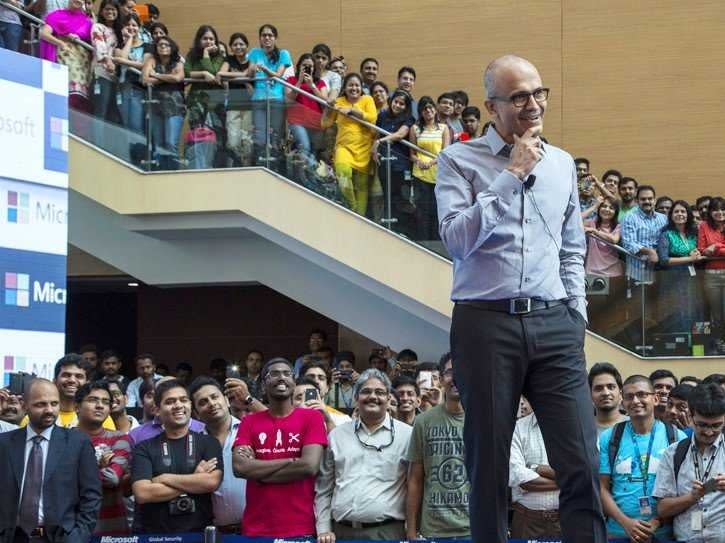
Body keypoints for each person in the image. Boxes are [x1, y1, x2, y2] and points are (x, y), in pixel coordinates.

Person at [435, 54, 606, 543]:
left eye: (538, 93)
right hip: (485, 325)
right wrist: (510, 175)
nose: (533, 104)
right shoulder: (457, 160)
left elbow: (573, 247)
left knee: (580, 459)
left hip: (555, 321)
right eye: (518, 97)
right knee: (488, 463)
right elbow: (457, 240)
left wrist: (577, 314)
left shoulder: (563, 164)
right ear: (492, 106)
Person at [232, 358, 327, 538]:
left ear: (294, 382)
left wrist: (259, 474)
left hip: (300, 527)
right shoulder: (249, 421)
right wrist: (290, 461)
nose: (281, 378)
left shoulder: (312, 418)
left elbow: (309, 466)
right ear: (262, 386)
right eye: (274, 374)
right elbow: (239, 467)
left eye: (287, 374)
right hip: (256, 528)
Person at [315, 369, 412, 542]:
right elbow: (324, 488)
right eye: (366, 391)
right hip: (340, 532)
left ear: (389, 398)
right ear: (356, 397)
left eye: (380, 392)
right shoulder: (337, 436)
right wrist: (323, 529)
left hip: (388, 533)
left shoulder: (407, 435)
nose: (373, 396)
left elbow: (415, 486)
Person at [0, 379, 101, 543]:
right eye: (40, 404)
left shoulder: (77, 443)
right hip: (12, 536)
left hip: (60, 537)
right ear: (24, 406)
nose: (49, 410)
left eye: (54, 403)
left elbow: (91, 495)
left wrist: (77, 537)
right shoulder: (4, 443)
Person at [599, 375, 687, 541]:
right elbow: (602, 488)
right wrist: (625, 523)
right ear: (622, 402)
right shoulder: (610, 437)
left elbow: (683, 490)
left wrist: (658, 522)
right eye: (629, 397)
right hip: (619, 532)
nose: (635, 401)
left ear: (654, 398)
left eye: (642, 394)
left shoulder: (676, 437)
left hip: (663, 533)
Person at [131, 379, 223, 533]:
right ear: (157, 410)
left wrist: (164, 478)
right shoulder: (144, 448)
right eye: (170, 401)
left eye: (183, 400)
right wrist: (194, 478)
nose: (178, 405)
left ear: (190, 405)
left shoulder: (209, 442)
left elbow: (211, 482)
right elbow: (143, 493)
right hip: (155, 535)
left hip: (199, 534)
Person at [406, 354, 470, 539]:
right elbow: (415, 480)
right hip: (433, 529)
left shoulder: (483, 420)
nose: (456, 377)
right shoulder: (423, 421)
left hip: (473, 527)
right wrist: (411, 530)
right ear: (441, 379)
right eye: (450, 372)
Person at [653, 383, 725, 543]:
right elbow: (662, 509)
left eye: (716, 425)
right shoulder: (673, 453)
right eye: (702, 425)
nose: (708, 432)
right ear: (690, 417)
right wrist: (691, 497)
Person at [189, 377, 246, 534]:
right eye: (203, 402)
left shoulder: (250, 430)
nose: (212, 403)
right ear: (196, 413)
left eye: (215, 397)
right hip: (212, 533)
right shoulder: (193, 444)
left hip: (254, 529)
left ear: (227, 401)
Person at [73, 381, 131, 535]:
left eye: (105, 402)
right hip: (74, 528)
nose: (100, 406)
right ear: (76, 406)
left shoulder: (120, 439)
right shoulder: (63, 439)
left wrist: (77, 470)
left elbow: (112, 478)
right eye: (93, 400)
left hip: (112, 527)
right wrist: (99, 466)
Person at [321, 72, 378, 215]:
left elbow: (372, 117)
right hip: (343, 147)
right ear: (345, 88)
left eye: (357, 85)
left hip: (364, 148)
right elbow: (325, 123)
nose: (354, 88)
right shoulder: (339, 101)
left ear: (361, 87)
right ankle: (351, 206)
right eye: (350, 85)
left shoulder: (367, 99)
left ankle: (360, 218)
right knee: (342, 172)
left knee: (362, 186)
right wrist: (329, 108)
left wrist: (352, 111)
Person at [509, 410, 561, 539]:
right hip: (527, 521)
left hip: (567, 520)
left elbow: (584, 473)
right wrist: (569, 481)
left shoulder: (575, 425)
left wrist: (538, 469)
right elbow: (518, 477)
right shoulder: (517, 428)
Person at [248, 23, 292, 166]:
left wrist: (265, 69)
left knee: (276, 135)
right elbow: (249, 74)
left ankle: (276, 167)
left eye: (270, 35)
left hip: (276, 100)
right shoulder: (255, 52)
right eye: (264, 35)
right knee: (259, 136)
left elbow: (278, 75)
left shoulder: (283, 54)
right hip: (258, 100)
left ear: (275, 38)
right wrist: (253, 68)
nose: (267, 38)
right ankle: (260, 166)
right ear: (260, 38)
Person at [372, 88, 415, 237]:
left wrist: (380, 141)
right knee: (387, 196)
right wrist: (376, 147)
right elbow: (376, 132)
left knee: (401, 198)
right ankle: (388, 231)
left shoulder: (409, 118)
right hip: (384, 162)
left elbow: (400, 134)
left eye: (402, 104)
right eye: (396, 102)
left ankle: (401, 231)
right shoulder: (383, 115)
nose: (397, 105)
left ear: (406, 106)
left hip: (400, 165)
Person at [657, 200, 705, 332]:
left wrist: (697, 252)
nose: (680, 214)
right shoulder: (665, 234)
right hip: (673, 279)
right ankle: (679, 345)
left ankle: (697, 344)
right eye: (676, 211)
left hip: (692, 279)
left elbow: (700, 251)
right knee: (677, 313)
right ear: (671, 215)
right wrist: (690, 258)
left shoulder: (693, 234)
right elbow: (664, 260)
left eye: (683, 211)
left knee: (694, 310)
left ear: (688, 214)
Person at [39, 0, 93, 111]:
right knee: (64, 94)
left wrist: (79, 39)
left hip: (82, 64)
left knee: (79, 98)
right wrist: (61, 42)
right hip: (64, 57)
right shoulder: (57, 15)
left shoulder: (88, 22)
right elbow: (44, 34)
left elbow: (92, 44)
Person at [184, 25, 225, 169]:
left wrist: (206, 53)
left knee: (215, 137)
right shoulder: (191, 55)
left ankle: (212, 167)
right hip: (196, 101)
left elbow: (212, 71)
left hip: (214, 103)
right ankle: (198, 167)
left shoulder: (220, 56)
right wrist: (203, 74)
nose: (208, 41)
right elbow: (186, 72)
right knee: (197, 135)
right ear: (199, 39)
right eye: (205, 38)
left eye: (211, 39)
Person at [410, 95, 450, 241]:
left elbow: (445, 152)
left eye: (430, 107)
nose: (428, 110)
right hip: (420, 174)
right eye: (424, 108)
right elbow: (412, 154)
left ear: (435, 109)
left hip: (438, 175)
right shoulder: (415, 129)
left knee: (437, 210)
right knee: (422, 211)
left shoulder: (444, 128)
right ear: (420, 111)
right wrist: (419, 162)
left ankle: (437, 243)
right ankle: (423, 242)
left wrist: (431, 163)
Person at [142, 36, 185, 168]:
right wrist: (167, 78)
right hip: (155, 106)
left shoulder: (178, 63)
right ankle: (160, 172)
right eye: (160, 45)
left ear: (172, 48)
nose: (163, 47)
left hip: (175, 107)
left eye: (166, 45)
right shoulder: (151, 60)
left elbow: (178, 78)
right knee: (159, 143)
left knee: (171, 142)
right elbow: (144, 80)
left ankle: (172, 172)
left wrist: (156, 75)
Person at [285, 53, 328, 181]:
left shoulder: (320, 83)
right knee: (304, 147)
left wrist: (312, 86)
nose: (308, 68)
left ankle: (311, 182)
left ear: (314, 68)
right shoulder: (291, 80)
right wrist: (299, 82)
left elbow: (325, 102)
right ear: (299, 66)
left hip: (315, 123)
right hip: (297, 121)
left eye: (310, 66)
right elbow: (288, 101)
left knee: (312, 153)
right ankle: (307, 178)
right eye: (305, 65)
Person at [217, 32, 255, 166]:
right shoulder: (229, 60)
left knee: (247, 142)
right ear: (231, 47)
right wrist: (244, 76)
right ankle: (238, 163)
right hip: (233, 106)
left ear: (247, 46)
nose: (238, 47)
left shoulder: (252, 60)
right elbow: (221, 73)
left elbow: (252, 86)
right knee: (233, 142)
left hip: (249, 107)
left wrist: (234, 76)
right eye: (235, 44)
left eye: (241, 44)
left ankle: (246, 168)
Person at [54, 353, 115, 430]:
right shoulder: (45, 413)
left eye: (79, 376)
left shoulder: (100, 416)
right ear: (54, 381)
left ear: (87, 383)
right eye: (66, 375)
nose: (72, 380)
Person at [621, 184, 667, 284]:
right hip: (637, 272)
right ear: (637, 201)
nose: (647, 201)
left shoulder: (663, 218)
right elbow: (628, 244)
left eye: (650, 199)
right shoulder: (629, 217)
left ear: (655, 200)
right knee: (637, 300)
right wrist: (649, 251)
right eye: (643, 199)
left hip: (660, 272)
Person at [113, 12, 150, 134]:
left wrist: (124, 61)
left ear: (139, 28)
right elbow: (122, 58)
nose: (131, 27)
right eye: (128, 25)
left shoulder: (147, 47)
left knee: (136, 125)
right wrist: (129, 39)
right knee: (125, 124)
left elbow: (144, 66)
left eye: (134, 25)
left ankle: (137, 152)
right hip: (123, 88)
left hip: (139, 89)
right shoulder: (119, 46)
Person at [697, 196, 725, 333]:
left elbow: (710, 250)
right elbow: (702, 250)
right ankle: (720, 341)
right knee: (716, 312)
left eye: (723, 209)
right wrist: (714, 249)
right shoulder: (704, 226)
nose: (720, 212)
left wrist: (715, 246)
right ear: (710, 212)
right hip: (711, 276)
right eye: (716, 209)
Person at [90, 0, 119, 125]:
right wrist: (108, 61)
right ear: (101, 11)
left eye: (113, 9)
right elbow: (99, 46)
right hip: (102, 73)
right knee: (100, 112)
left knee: (113, 116)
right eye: (107, 9)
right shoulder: (98, 27)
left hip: (117, 77)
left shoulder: (120, 30)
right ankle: (96, 144)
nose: (110, 12)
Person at [584, 197, 623, 276]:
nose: (607, 209)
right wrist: (594, 206)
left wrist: (595, 231)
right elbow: (576, 220)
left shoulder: (618, 226)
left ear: (616, 212)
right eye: (604, 206)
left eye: (611, 208)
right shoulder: (591, 223)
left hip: (613, 271)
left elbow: (614, 239)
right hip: (592, 270)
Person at [588, 362, 628, 435]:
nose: (606, 393)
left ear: (620, 393)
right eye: (598, 388)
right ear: (590, 394)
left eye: (611, 387)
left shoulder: (636, 426)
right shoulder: (583, 429)